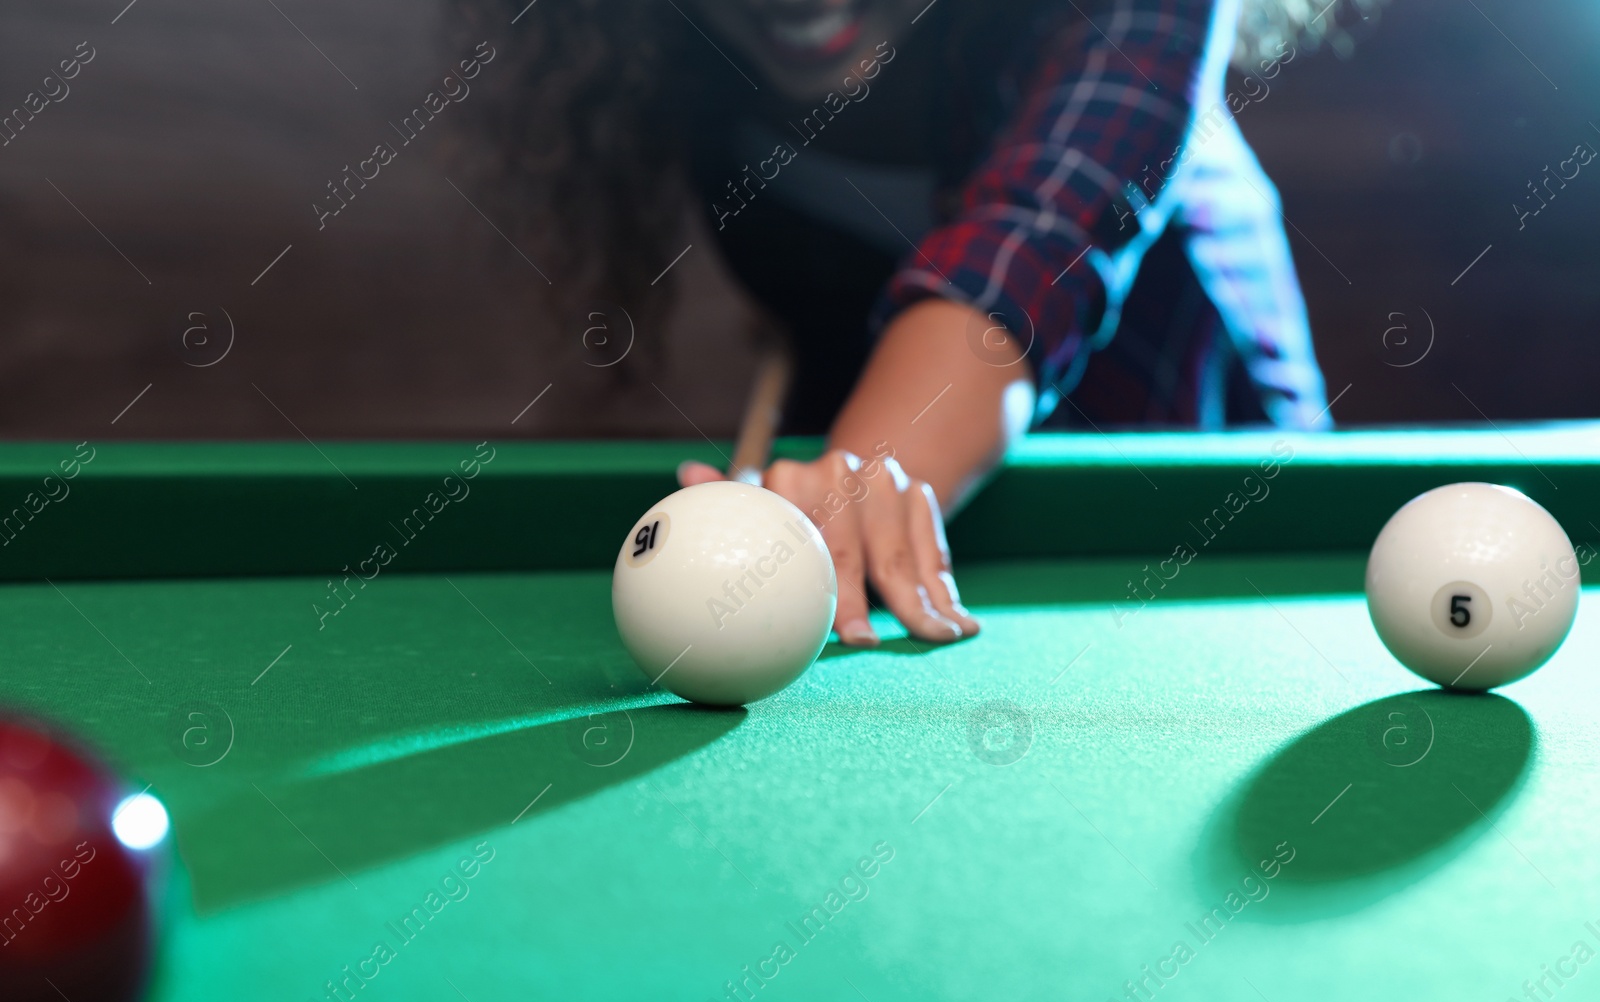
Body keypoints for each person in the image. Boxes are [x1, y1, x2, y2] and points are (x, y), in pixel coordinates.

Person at [456, 0, 1366, 647]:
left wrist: (856, 483)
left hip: (1189, 515)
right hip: (899, 468)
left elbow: (1027, 247)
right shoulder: (669, 39)